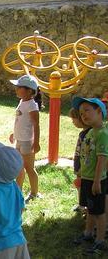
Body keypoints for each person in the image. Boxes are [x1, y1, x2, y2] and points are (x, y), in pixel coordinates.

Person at [72, 97, 108, 255]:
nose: (83, 115)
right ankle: (88, 233)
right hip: (86, 178)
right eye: (81, 113)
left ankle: (100, 240)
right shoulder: (90, 132)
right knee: (90, 208)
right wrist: (81, 172)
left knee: (99, 212)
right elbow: (86, 155)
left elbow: (102, 158)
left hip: (96, 180)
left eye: (87, 110)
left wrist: (97, 181)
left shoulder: (102, 134)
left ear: (99, 111)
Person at [8, 74, 42, 204]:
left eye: (19, 87)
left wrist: (36, 142)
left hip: (28, 141)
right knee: (18, 166)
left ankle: (34, 192)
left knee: (29, 167)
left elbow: (36, 125)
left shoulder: (32, 106)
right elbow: (20, 120)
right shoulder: (22, 102)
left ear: (29, 91)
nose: (16, 89)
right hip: (19, 140)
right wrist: (14, 133)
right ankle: (18, 190)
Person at [69, 108, 91, 212]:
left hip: (85, 166)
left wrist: (82, 167)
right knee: (79, 183)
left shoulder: (89, 133)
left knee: (84, 185)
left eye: (74, 119)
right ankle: (81, 204)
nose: (73, 121)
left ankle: (86, 206)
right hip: (79, 163)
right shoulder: (82, 133)